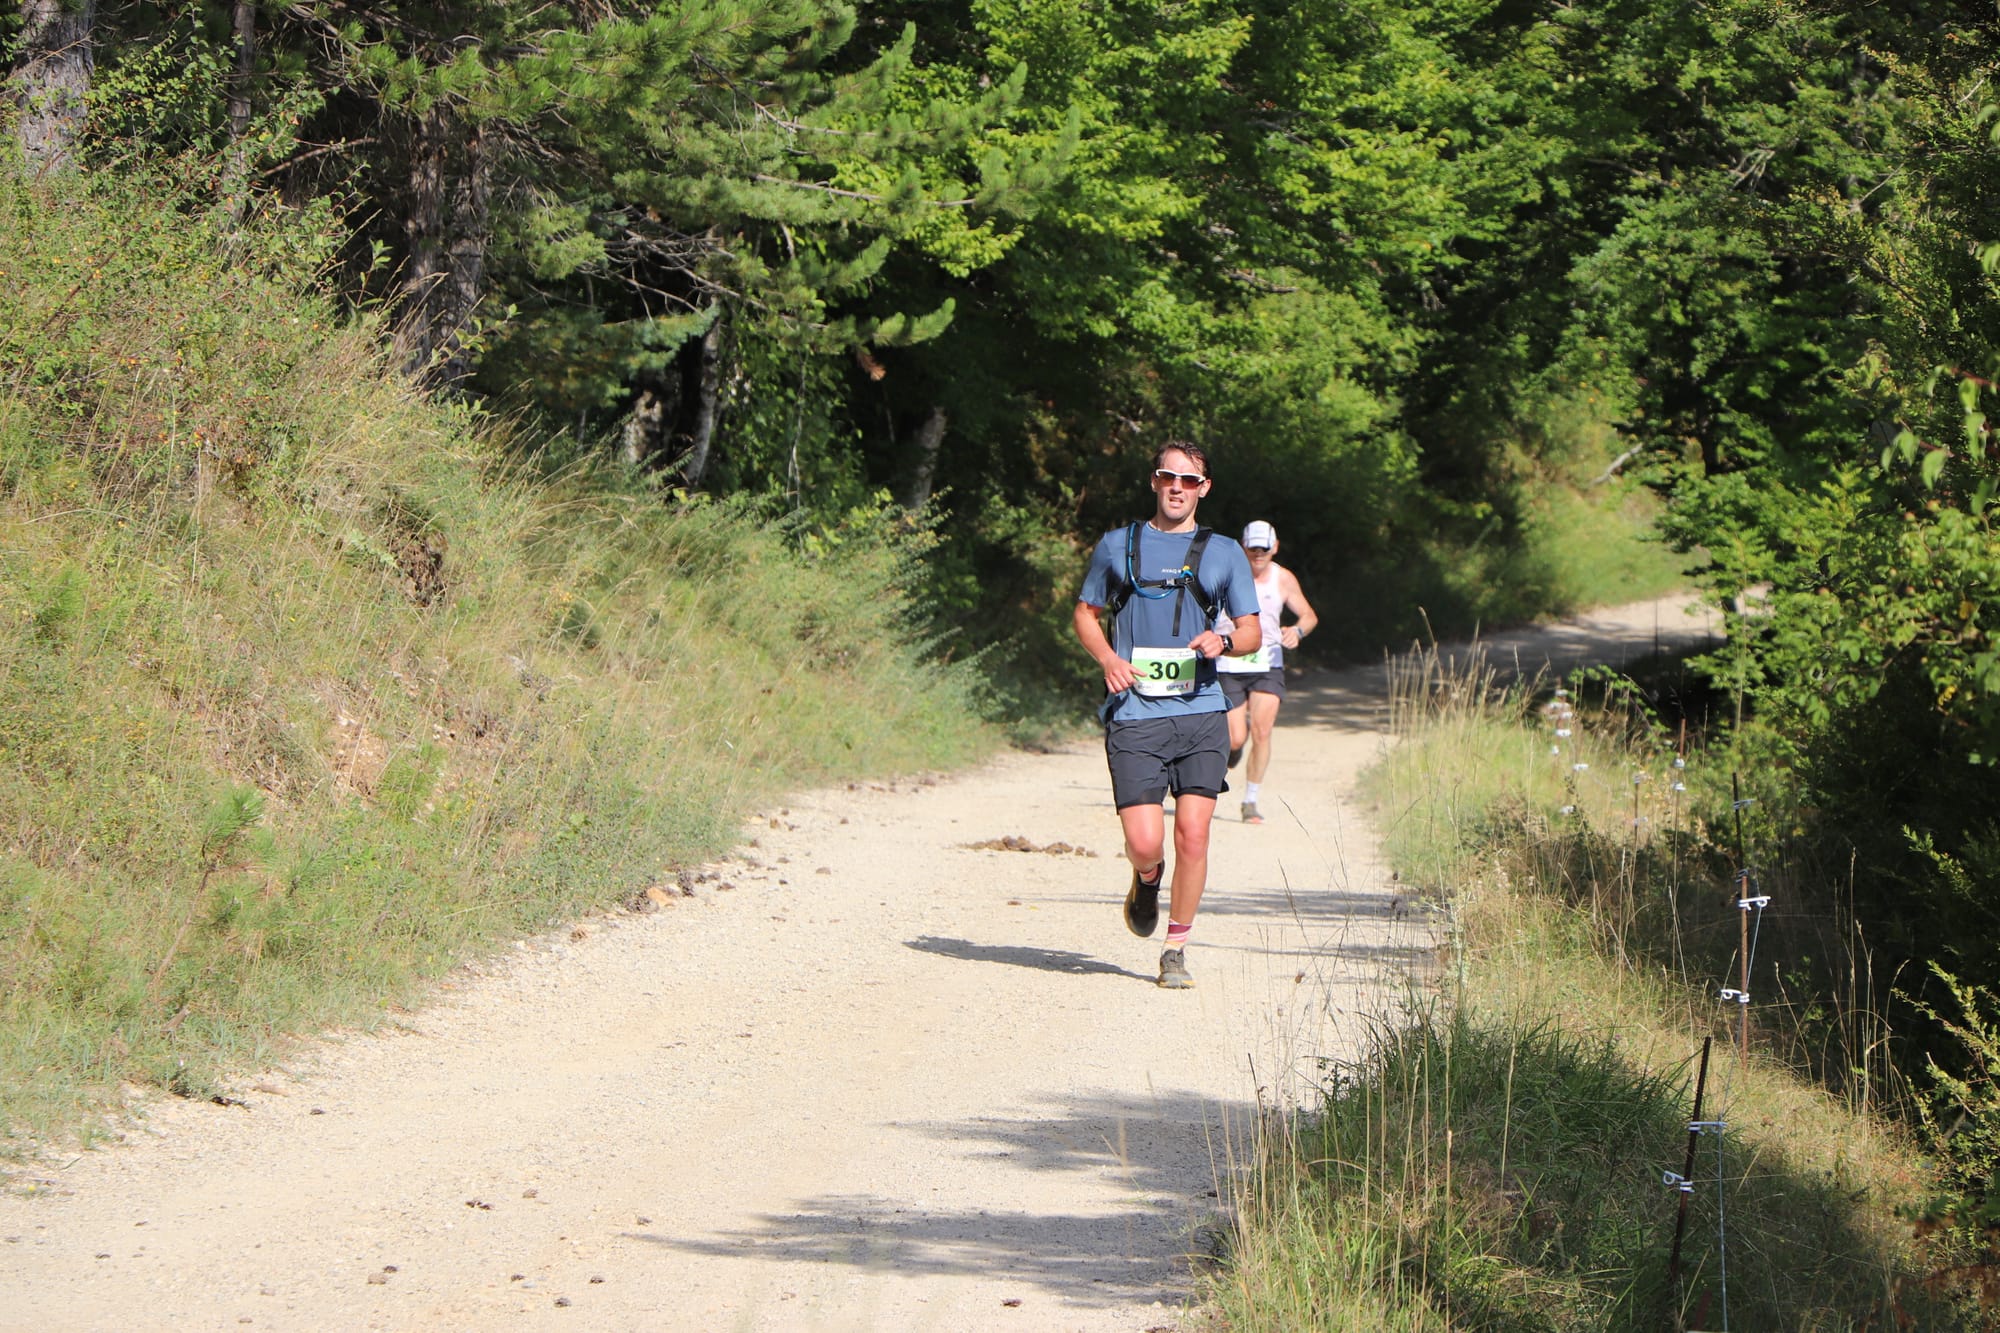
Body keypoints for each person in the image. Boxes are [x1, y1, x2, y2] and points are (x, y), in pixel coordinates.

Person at [1073, 442, 1261, 989]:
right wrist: (1108, 658)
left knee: (1195, 835)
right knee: (1146, 842)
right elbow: (1085, 614)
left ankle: (1176, 948)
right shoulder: (1117, 546)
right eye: (1167, 476)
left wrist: (1222, 640)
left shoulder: (1224, 552)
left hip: (1202, 710)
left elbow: (1250, 631)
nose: (1177, 487)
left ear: (1204, 488)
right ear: (1154, 482)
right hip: (1136, 714)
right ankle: (1146, 878)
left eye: (1189, 479)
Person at [1217, 520, 1318, 824]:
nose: (1258, 554)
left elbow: (1309, 615)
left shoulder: (1283, 578)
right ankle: (1231, 753)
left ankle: (1250, 800)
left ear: (1274, 547)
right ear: (1243, 546)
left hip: (1267, 662)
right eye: (1252, 548)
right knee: (1236, 738)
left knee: (1262, 731)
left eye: (1264, 548)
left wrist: (1297, 631)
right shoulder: (1225, 574)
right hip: (1229, 662)